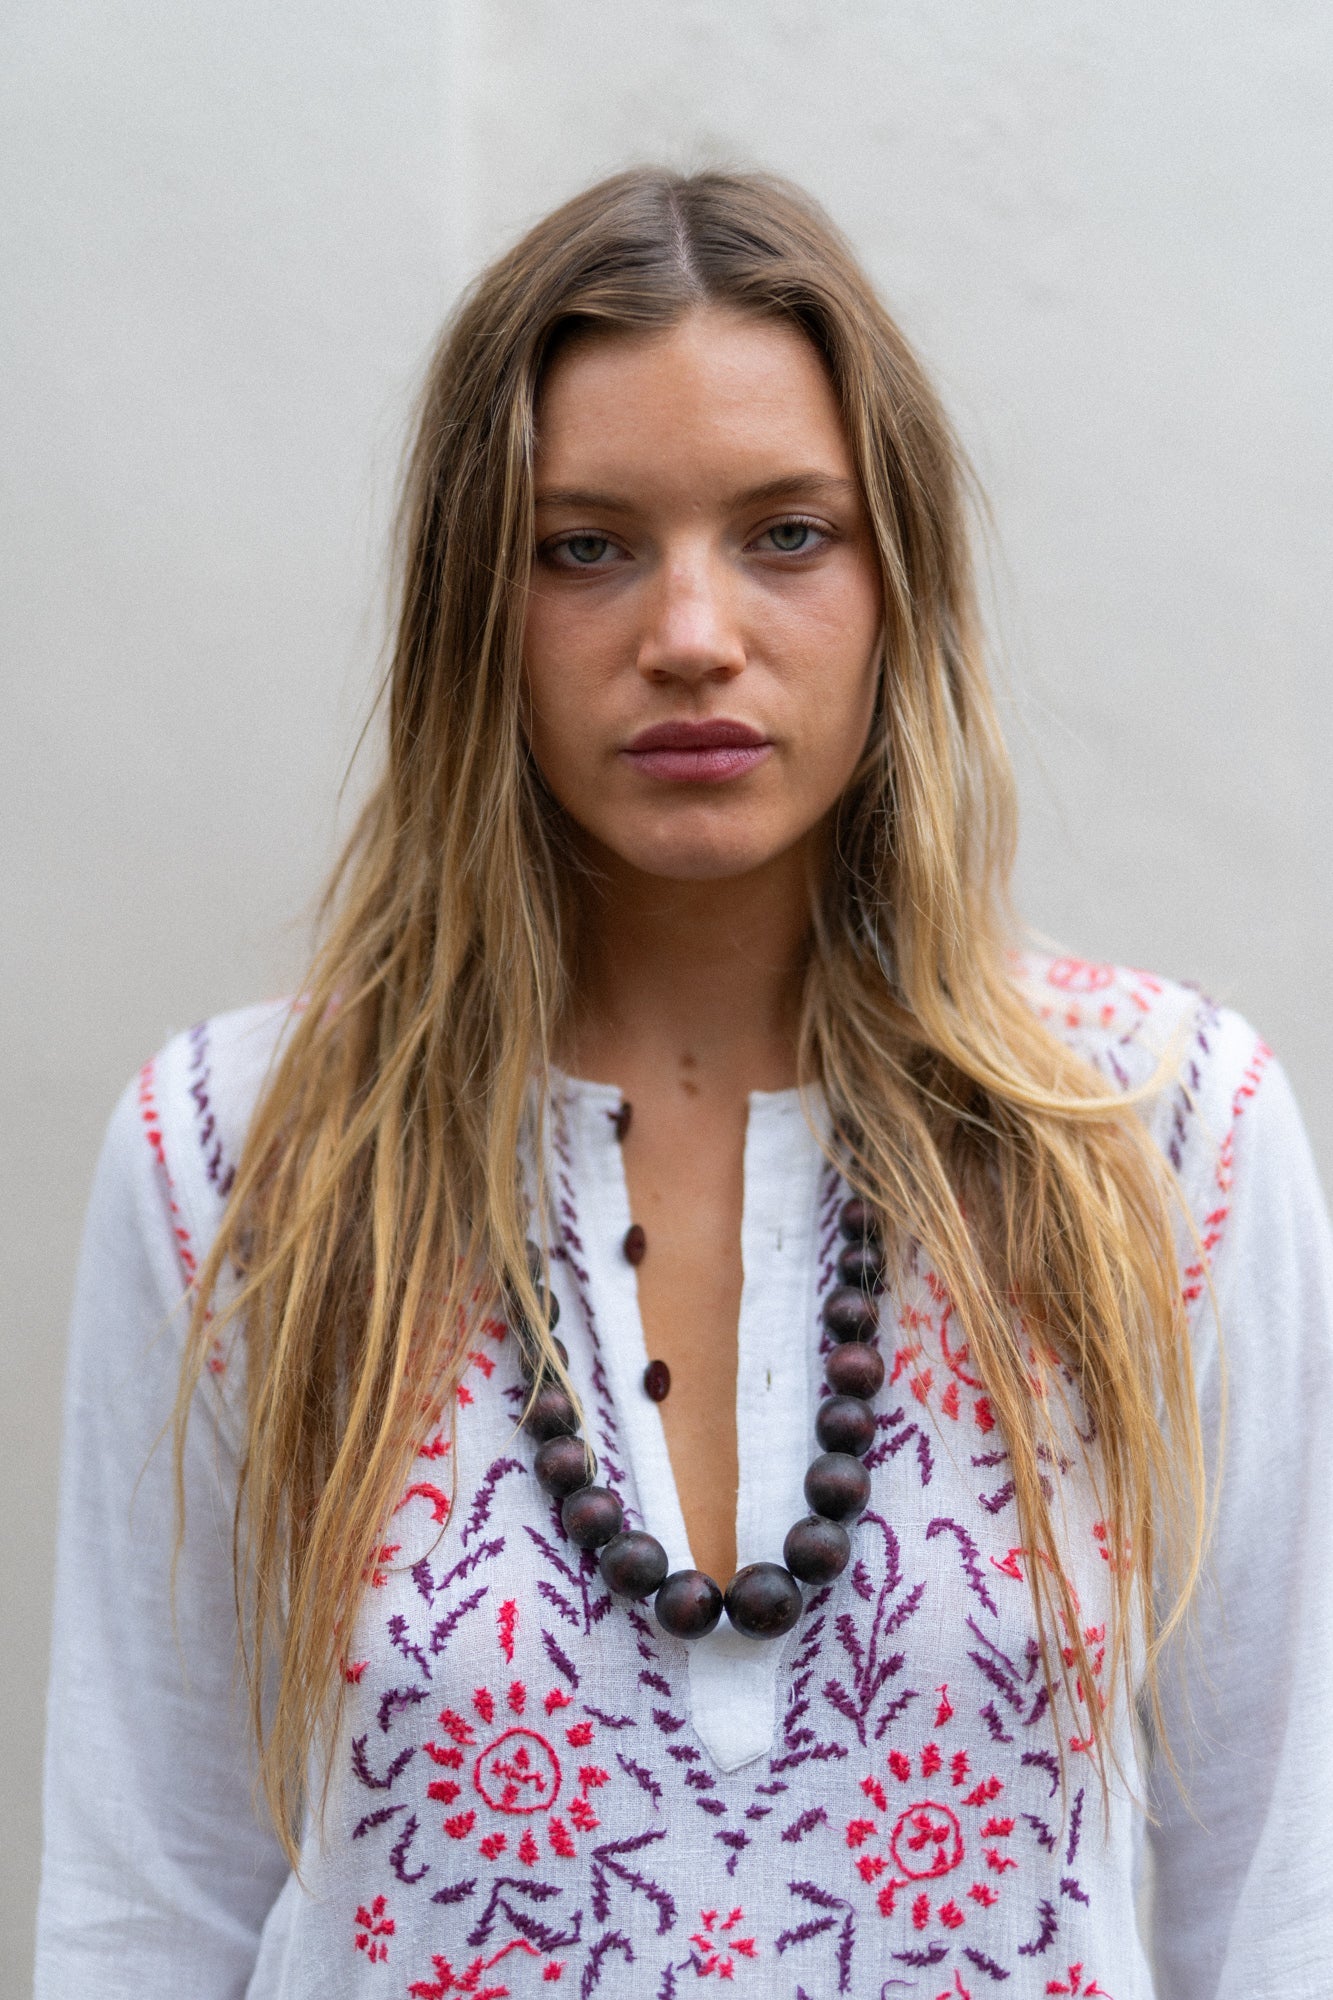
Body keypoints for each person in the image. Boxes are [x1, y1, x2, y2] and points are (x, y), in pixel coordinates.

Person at [34, 168, 1333, 2000]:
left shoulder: (1152, 1137)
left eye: (787, 533)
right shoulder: (247, 1158)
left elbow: (1277, 1908)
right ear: (472, 604)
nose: (693, 633)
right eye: (586, 548)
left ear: (900, 581)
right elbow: (143, 1908)